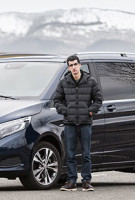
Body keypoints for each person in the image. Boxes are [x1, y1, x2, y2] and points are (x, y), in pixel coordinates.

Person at [54, 54, 102, 191]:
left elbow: (98, 100)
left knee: (86, 154)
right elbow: (57, 100)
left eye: (75, 64)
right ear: (68, 67)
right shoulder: (63, 82)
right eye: (71, 65)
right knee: (70, 154)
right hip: (69, 123)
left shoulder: (90, 81)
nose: (73, 67)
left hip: (85, 123)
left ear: (80, 65)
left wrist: (90, 111)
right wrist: (65, 110)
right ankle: (71, 181)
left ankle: (86, 181)